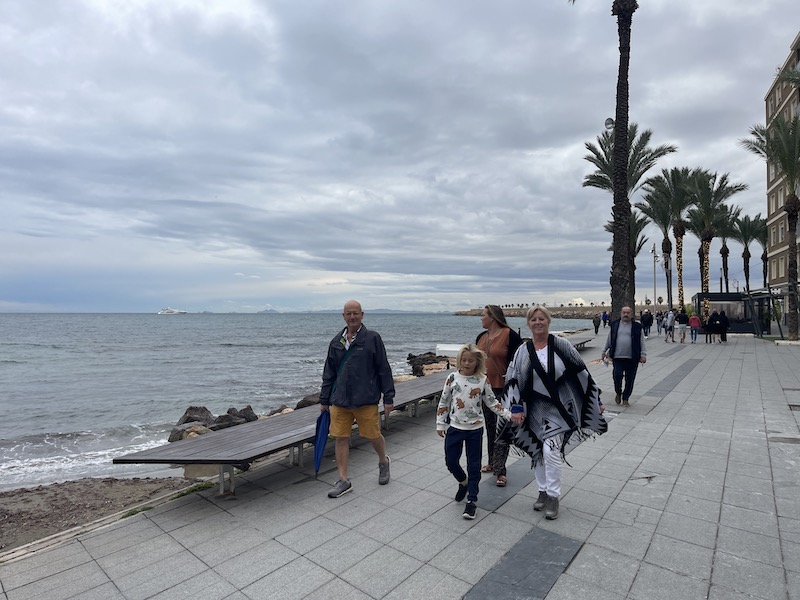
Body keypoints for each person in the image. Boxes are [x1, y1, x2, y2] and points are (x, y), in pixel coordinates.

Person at [499, 306, 607, 520]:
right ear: (528, 323)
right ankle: (542, 490)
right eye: (533, 319)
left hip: (558, 408)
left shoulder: (561, 345)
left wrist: (596, 399)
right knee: (537, 450)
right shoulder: (522, 351)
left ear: (548, 321)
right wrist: (516, 408)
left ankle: (553, 496)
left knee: (550, 451)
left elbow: (581, 372)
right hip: (532, 409)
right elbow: (513, 379)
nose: (538, 322)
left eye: (542, 319)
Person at [320, 300, 395, 498]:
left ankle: (383, 461)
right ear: (343, 316)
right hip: (340, 400)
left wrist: (388, 397)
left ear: (362, 314)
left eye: (355, 313)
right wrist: (324, 400)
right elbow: (329, 373)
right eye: (348, 313)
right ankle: (343, 479)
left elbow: (383, 368)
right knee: (340, 437)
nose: (352, 317)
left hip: (366, 399)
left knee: (373, 435)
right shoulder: (336, 342)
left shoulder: (372, 338)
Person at [436, 344, 512, 520]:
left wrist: (508, 415)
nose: (467, 363)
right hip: (454, 428)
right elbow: (444, 401)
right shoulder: (452, 378)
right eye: (464, 360)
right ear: (459, 360)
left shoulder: (482, 380)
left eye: (471, 360)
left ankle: (472, 500)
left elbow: (492, 402)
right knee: (451, 462)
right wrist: (440, 423)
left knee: (474, 466)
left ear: (477, 362)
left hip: (475, 431)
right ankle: (463, 482)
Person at [475, 305, 523, 487]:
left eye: (483, 315)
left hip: (504, 390)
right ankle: (491, 462)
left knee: (502, 429)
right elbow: (476, 363)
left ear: (493, 317)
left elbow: (519, 362)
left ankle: (500, 471)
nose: (481, 318)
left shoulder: (510, 335)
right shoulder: (481, 337)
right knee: (490, 427)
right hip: (485, 390)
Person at [601, 306, 647, 407]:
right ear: (621, 313)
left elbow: (642, 341)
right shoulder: (615, 325)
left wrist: (643, 355)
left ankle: (626, 398)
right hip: (617, 357)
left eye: (628, 313)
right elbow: (609, 339)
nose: (626, 314)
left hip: (632, 358)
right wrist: (604, 351)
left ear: (631, 314)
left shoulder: (637, 327)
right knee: (617, 375)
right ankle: (618, 392)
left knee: (630, 379)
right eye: (624, 312)